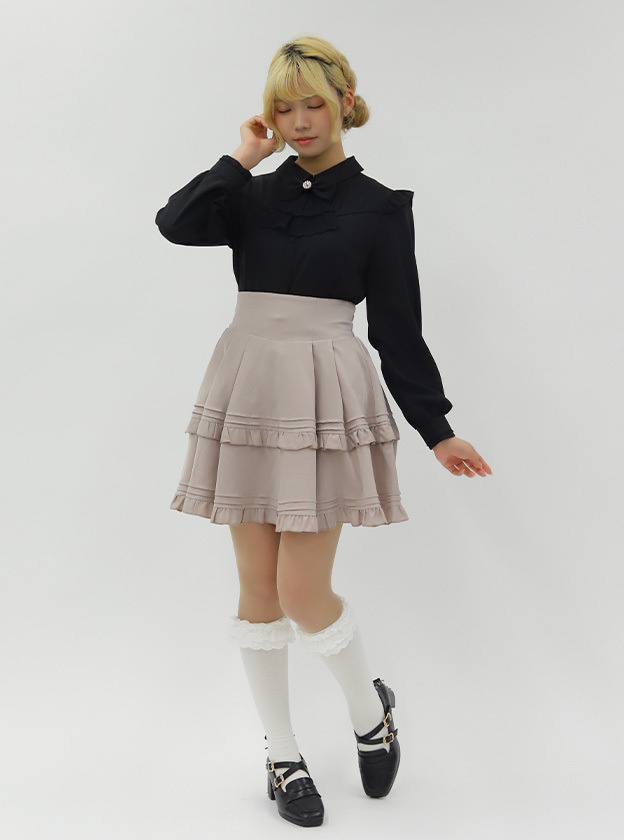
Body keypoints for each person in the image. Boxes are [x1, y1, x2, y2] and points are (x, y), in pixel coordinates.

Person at [155, 35, 492, 828]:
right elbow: (174, 224)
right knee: (257, 591)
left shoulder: (380, 208)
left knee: (303, 591)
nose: (300, 122)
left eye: (313, 103)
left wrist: (437, 427)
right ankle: (282, 755)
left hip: (323, 393)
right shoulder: (247, 196)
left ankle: (372, 716)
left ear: (346, 101)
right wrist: (242, 155)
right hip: (247, 382)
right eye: (284, 108)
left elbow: (397, 329)